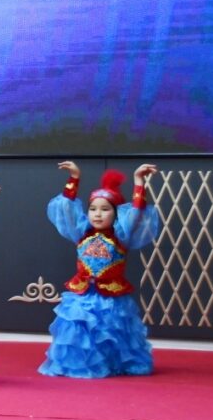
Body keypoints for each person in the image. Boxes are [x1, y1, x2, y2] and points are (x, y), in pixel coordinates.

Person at [39, 162, 161, 378]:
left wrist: (138, 181)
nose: (97, 214)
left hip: (111, 297)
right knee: (77, 328)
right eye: (93, 209)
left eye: (105, 209)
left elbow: (136, 213)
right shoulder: (81, 233)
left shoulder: (122, 237)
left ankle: (112, 363)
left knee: (111, 331)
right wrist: (74, 178)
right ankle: (78, 363)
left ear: (116, 214)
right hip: (83, 293)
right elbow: (66, 209)